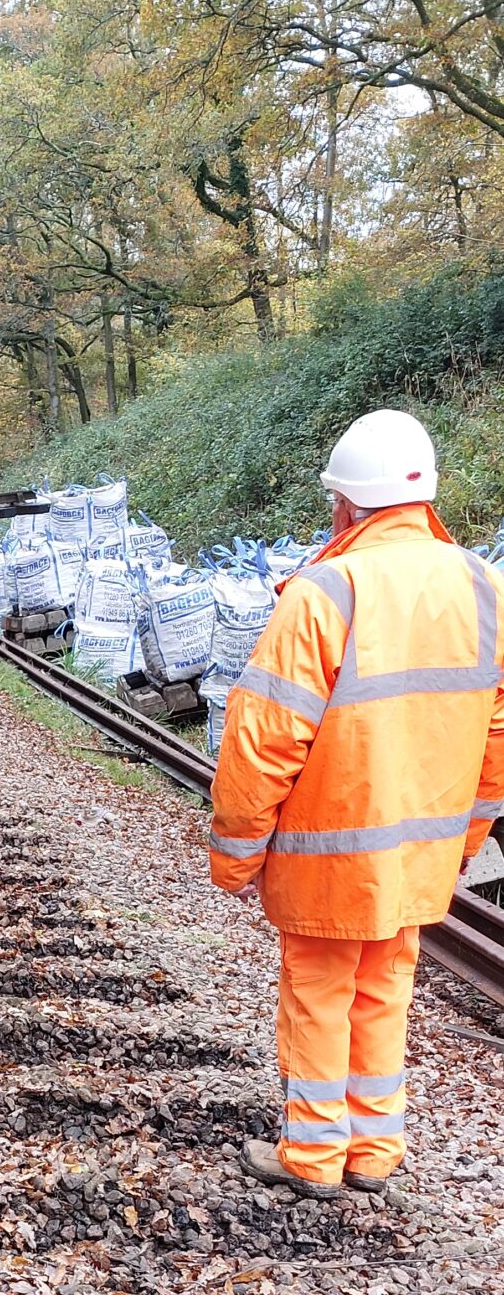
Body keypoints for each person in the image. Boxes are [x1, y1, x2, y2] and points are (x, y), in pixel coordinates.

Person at [209, 409, 504, 1200]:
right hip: (420, 852)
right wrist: (468, 835)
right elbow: (497, 732)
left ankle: (311, 1156)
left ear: (345, 505)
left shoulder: (326, 591)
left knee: (320, 992)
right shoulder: (483, 585)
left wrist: (235, 851)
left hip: (330, 854)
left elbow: (265, 736)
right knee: (384, 992)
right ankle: (374, 1149)